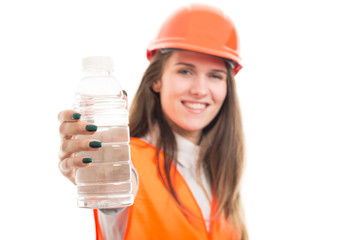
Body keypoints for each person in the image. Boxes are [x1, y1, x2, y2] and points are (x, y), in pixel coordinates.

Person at [58, 4, 248, 240]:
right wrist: (105, 174)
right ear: (157, 80)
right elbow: (117, 199)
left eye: (215, 76)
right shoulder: (130, 162)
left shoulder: (221, 175)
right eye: (185, 72)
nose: (200, 90)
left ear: (227, 88)